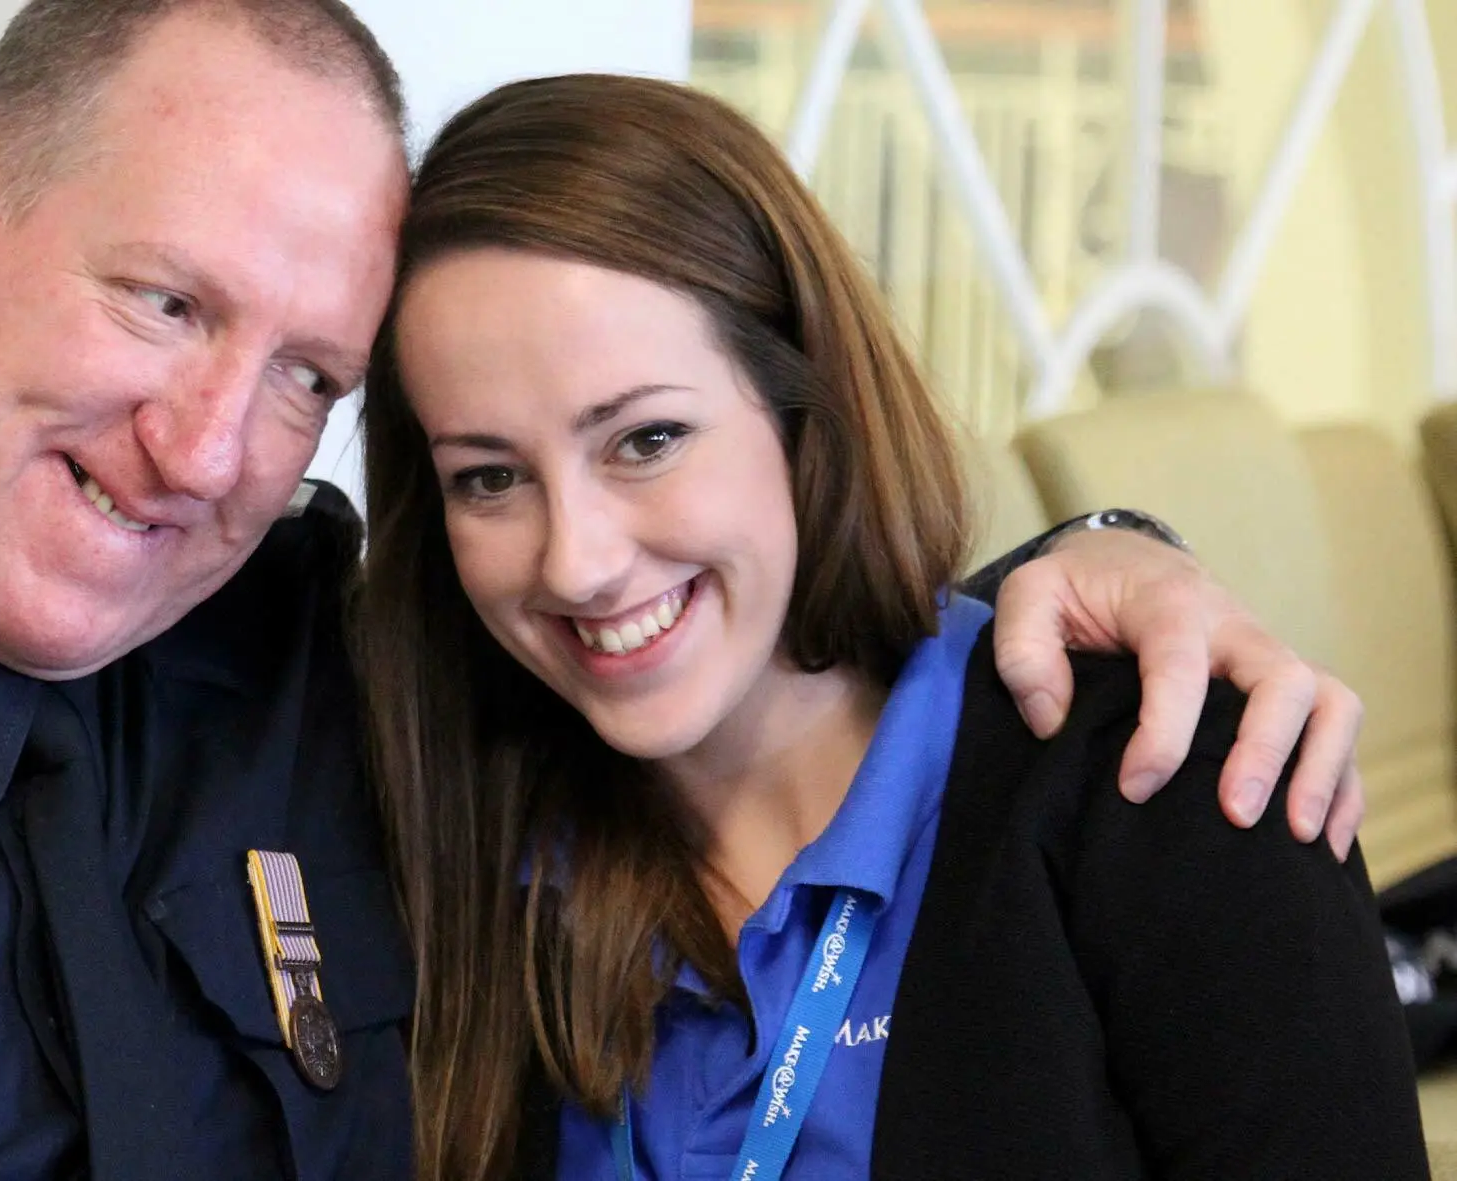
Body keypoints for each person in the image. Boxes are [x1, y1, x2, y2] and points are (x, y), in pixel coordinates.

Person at [0, 4, 1366, 1178]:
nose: (207, 451)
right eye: (161, 303)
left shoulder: (334, 655)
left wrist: (1098, 569)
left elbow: (742, 658)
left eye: (304, 377)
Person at [358, 73, 1424, 1181]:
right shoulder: (456, 844)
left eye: (645, 439)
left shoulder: (1166, 782)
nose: (574, 558)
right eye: (487, 476)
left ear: (804, 409)